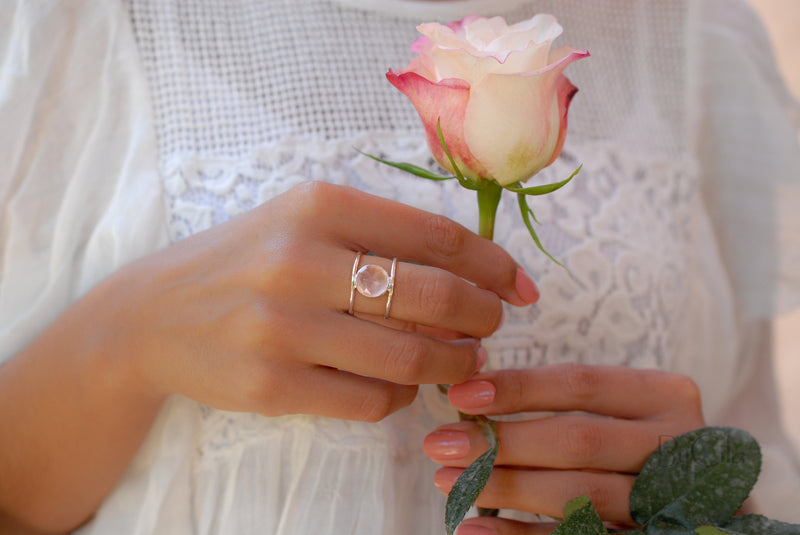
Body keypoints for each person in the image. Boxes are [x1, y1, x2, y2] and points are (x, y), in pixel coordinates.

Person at [1, 0, 798, 534]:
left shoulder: (693, 32)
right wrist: (125, 338)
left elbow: (749, 440)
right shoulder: (59, 26)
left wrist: (688, 505)